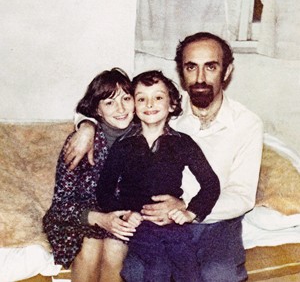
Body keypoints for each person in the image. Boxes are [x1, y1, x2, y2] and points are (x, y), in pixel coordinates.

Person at [65, 32, 264, 281]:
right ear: (182, 73)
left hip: (215, 221)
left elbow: (243, 195)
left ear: (226, 71)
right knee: (138, 272)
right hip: (152, 221)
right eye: (191, 67)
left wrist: (188, 208)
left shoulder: (247, 124)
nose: (200, 78)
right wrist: (86, 126)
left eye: (210, 67)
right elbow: (111, 104)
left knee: (216, 274)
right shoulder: (164, 114)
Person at [96, 70, 220, 281]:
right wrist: (125, 214)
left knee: (189, 266)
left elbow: (211, 184)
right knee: (158, 266)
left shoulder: (183, 143)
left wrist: (191, 212)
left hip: (173, 222)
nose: (150, 104)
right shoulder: (123, 145)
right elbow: (103, 190)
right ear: (134, 107)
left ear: (172, 104)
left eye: (158, 97)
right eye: (141, 99)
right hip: (139, 224)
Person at [43, 68, 138, 282]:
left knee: (115, 247)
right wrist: (98, 218)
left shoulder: (146, 137)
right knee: (90, 246)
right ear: (98, 109)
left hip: (126, 218)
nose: (121, 108)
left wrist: (130, 216)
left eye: (126, 98)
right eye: (110, 102)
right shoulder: (81, 141)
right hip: (80, 217)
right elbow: (61, 203)